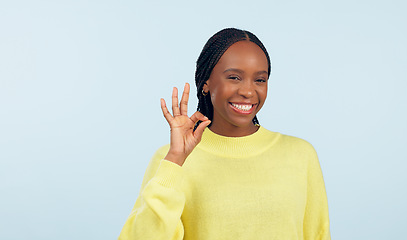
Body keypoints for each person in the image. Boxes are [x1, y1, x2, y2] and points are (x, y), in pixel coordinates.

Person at [119, 28, 330, 240]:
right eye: (234, 77)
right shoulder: (172, 160)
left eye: (260, 80)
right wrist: (175, 159)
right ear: (206, 83)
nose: (248, 91)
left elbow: (318, 234)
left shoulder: (301, 155)